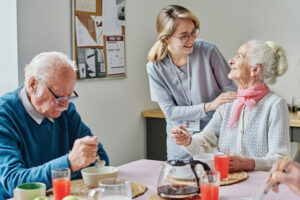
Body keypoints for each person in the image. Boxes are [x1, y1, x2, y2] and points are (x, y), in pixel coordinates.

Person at [0, 52, 109, 199]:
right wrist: (69, 163)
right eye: (59, 96)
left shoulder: (65, 111)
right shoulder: (4, 116)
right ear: (33, 85)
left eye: (69, 96)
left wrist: (83, 158)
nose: (65, 104)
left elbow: (99, 158)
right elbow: (14, 182)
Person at [172, 40, 290, 171]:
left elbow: (281, 159)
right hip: (228, 181)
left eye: (238, 56)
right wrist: (188, 141)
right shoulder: (228, 102)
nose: (230, 61)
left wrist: (249, 163)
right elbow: (205, 143)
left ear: (255, 69)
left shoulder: (275, 105)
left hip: (261, 186)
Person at [147, 5, 237, 160]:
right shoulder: (155, 67)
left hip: (215, 137)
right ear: (166, 38)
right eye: (184, 36)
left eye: (193, 32)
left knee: (217, 181)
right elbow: (170, 111)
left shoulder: (208, 51)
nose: (192, 39)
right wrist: (209, 106)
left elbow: (231, 92)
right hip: (181, 142)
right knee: (180, 183)